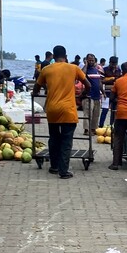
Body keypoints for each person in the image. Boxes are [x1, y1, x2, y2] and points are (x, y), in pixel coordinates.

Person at [32, 44, 89, 179]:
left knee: (54, 138)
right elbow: (88, 84)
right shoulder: (73, 68)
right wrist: (82, 95)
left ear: (53, 55)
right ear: (66, 56)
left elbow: (37, 86)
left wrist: (35, 93)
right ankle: (64, 171)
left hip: (52, 109)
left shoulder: (46, 69)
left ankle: (54, 166)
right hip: (68, 110)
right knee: (66, 140)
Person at [109, 61, 127, 170]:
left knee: (118, 138)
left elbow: (111, 98)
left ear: (122, 70)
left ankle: (116, 163)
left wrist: (119, 99)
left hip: (121, 113)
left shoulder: (118, 81)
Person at [82, 53, 103, 136]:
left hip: (97, 95)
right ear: (86, 60)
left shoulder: (96, 70)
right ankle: (86, 130)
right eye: (89, 60)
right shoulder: (85, 69)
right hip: (88, 95)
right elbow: (82, 75)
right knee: (87, 113)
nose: (91, 62)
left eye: (92, 60)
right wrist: (86, 65)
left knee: (96, 114)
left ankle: (93, 129)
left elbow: (99, 82)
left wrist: (103, 92)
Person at [101, 56, 122, 127]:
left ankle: (112, 125)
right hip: (107, 93)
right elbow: (102, 80)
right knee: (105, 110)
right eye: (112, 63)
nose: (114, 65)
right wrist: (112, 79)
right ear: (109, 62)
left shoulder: (118, 70)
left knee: (114, 110)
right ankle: (101, 125)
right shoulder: (105, 70)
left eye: (115, 64)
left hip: (115, 93)